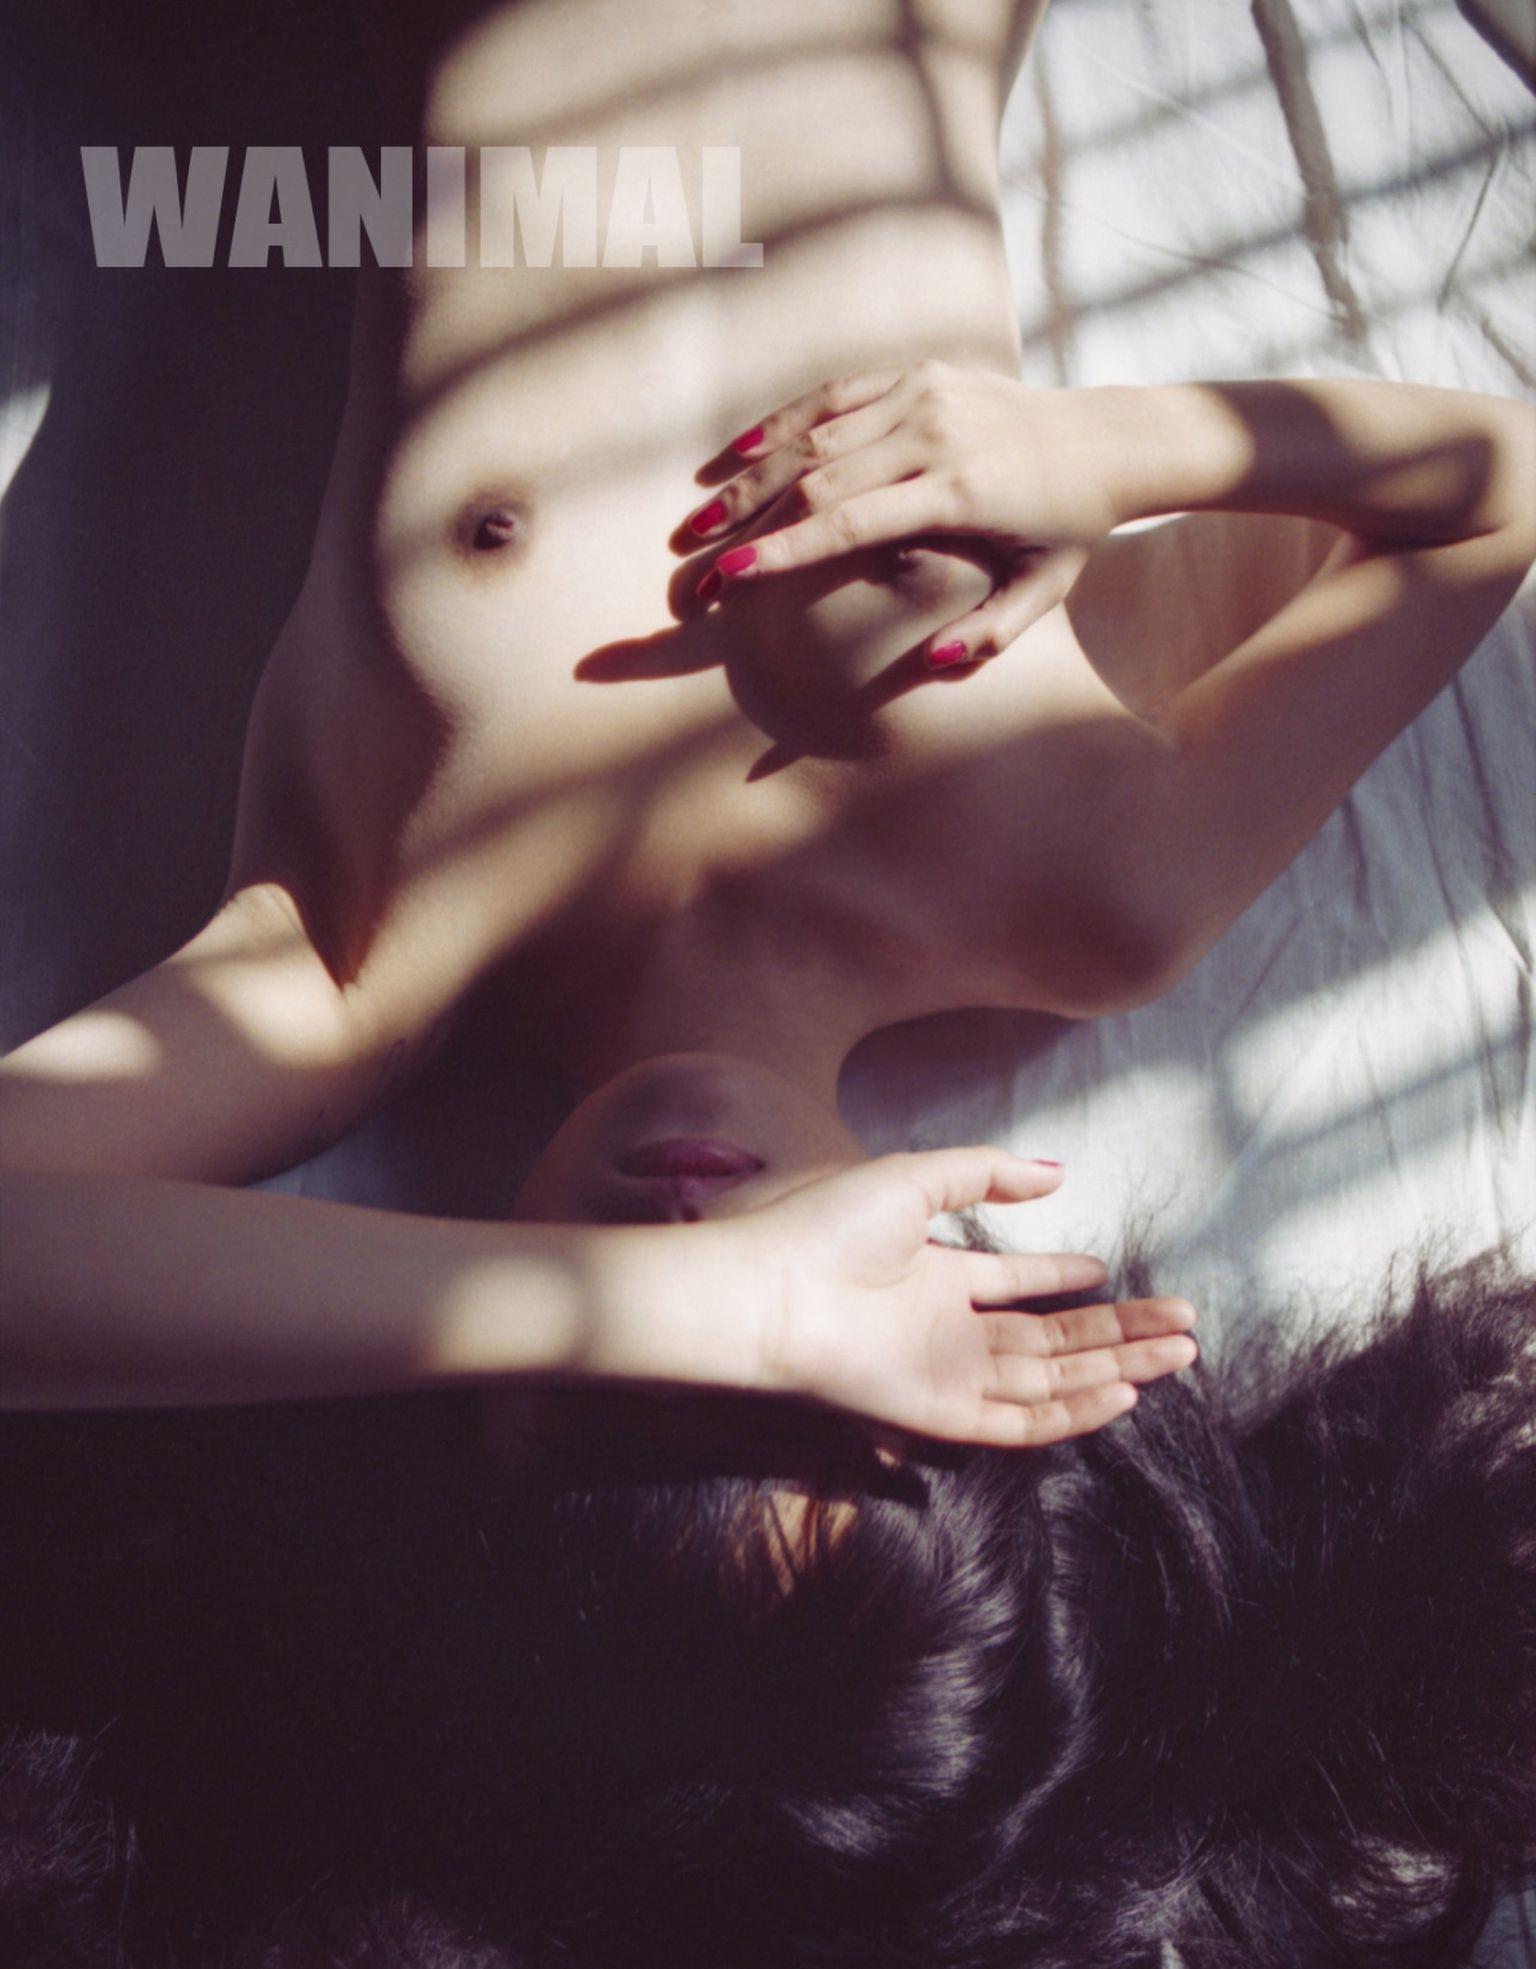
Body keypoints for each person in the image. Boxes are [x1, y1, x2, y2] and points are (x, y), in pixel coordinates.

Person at [1, 0, 1533, 1960]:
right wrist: (1106, 450)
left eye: (624, 1406)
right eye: (806, 1402)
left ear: (484, 1421)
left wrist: (714, 1315)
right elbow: (1492, 485)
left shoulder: (370, 950)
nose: (705, 1262)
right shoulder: (1093, 902)